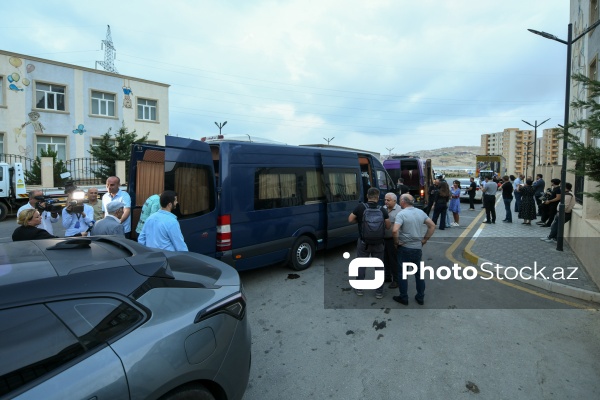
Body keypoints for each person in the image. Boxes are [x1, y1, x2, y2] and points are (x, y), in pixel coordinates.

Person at [392, 194, 436, 306]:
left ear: (403, 201)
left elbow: (394, 230)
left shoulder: (401, 214)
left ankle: (404, 297)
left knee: (402, 274)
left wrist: (396, 242)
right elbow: (432, 226)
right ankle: (420, 297)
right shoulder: (420, 212)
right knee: (419, 274)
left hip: (405, 248)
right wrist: (424, 240)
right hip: (417, 248)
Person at [348, 187, 391, 299]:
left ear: (367, 196)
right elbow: (388, 226)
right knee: (379, 267)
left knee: (361, 265)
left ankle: (359, 289)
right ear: (378, 197)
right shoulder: (382, 209)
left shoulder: (360, 207)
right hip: (379, 243)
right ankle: (379, 292)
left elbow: (350, 219)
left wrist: (361, 221)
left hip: (363, 242)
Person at [383, 192, 401, 289]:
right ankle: (387, 276)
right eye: (385, 200)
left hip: (393, 240)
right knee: (385, 259)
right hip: (383, 239)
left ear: (394, 201)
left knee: (394, 261)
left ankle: (396, 280)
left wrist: (397, 241)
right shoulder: (383, 208)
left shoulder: (400, 210)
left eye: (388, 200)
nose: (386, 202)